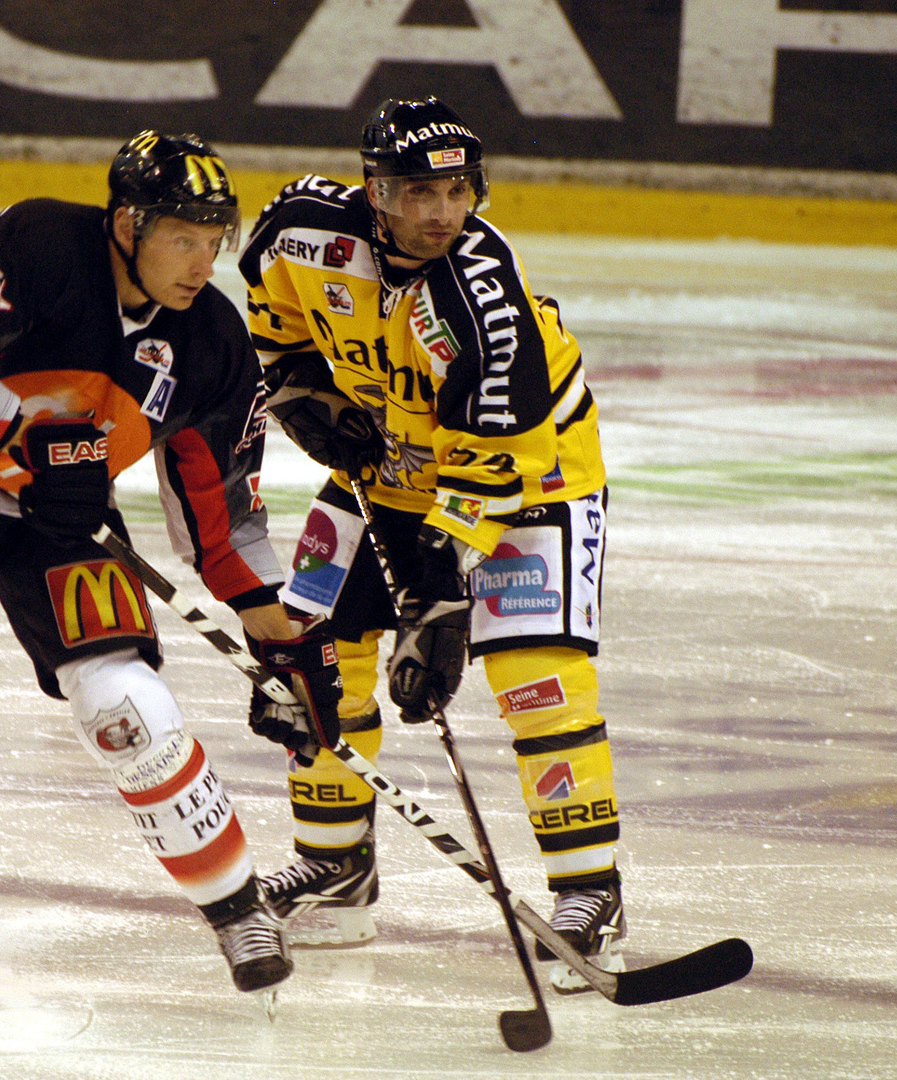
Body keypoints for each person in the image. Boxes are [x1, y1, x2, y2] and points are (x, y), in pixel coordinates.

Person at [0, 130, 345, 1010]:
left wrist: (282, 635)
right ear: (127, 222)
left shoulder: (213, 344)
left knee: (125, 704)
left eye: (213, 239)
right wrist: (27, 438)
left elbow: (223, 514)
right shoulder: (39, 246)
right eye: (182, 235)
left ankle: (236, 907)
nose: (200, 260)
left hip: (53, 514)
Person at [237, 97, 626, 991]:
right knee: (314, 653)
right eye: (418, 192)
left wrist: (439, 597)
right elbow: (275, 317)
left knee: (535, 675)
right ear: (375, 190)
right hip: (392, 465)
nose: (442, 212)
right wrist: (298, 386)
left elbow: (500, 465)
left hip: (532, 484)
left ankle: (589, 894)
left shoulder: (481, 304)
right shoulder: (298, 229)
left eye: (456, 190)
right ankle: (338, 869)